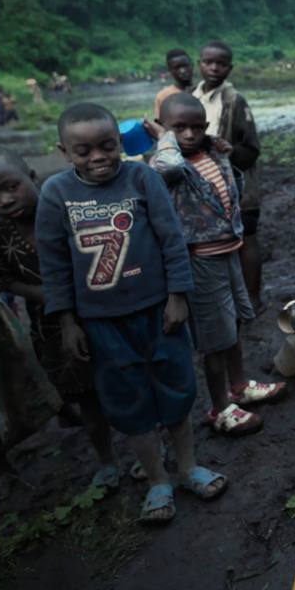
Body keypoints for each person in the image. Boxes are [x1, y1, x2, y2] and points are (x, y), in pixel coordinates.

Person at [36, 102, 225, 525]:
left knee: (177, 388)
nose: (98, 157)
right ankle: (157, 480)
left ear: (120, 142)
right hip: (101, 323)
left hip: (159, 312)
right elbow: (54, 263)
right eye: (83, 151)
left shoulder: (142, 178)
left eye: (108, 146)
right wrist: (67, 321)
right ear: (64, 152)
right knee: (128, 400)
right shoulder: (55, 193)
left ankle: (188, 467)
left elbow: (172, 239)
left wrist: (178, 296)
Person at [0, 147, 117, 487]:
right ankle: (107, 461)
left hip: (106, 313)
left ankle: (147, 449)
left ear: (32, 177)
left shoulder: (69, 208)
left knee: (127, 383)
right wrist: (41, 293)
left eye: (11, 187)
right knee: (88, 400)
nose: (5, 200)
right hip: (53, 328)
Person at [149, 93, 284, 436]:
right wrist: (164, 139)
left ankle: (238, 387)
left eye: (197, 127)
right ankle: (220, 407)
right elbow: (170, 165)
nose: (189, 134)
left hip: (228, 252)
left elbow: (231, 186)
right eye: (179, 128)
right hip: (200, 261)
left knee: (231, 326)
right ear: (163, 128)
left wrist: (215, 145)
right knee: (213, 340)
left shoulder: (210, 152)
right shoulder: (166, 163)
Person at [193, 40, 263, 310]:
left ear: (229, 68)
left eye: (220, 64)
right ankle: (229, 297)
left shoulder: (234, 100)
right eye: (208, 62)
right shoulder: (193, 97)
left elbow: (252, 148)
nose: (214, 68)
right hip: (206, 183)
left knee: (247, 237)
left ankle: (254, 298)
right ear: (199, 64)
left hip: (238, 185)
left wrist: (228, 152)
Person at [153, 49, 194, 121]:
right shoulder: (163, 96)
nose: (182, 71)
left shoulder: (203, 90)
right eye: (177, 68)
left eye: (185, 66)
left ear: (192, 65)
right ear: (170, 70)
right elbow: (159, 123)